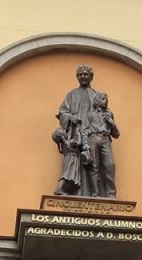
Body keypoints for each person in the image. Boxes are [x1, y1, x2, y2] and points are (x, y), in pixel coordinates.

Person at [54, 64, 118, 197]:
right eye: (80, 74)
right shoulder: (71, 94)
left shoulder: (97, 95)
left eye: (85, 74)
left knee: (100, 165)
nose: (83, 76)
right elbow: (62, 112)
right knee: (83, 163)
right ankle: (81, 194)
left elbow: (104, 112)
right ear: (77, 77)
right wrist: (71, 117)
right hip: (78, 133)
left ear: (91, 76)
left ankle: (100, 194)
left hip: (94, 134)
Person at [85, 92, 119, 198]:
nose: (106, 101)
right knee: (94, 167)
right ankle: (95, 194)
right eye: (103, 99)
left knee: (110, 165)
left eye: (106, 99)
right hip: (93, 138)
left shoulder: (109, 114)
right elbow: (84, 130)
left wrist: (112, 123)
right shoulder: (90, 115)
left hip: (105, 139)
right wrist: (85, 143)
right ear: (97, 101)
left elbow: (116, 134)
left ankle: (111, 193)